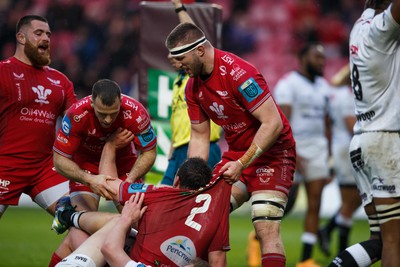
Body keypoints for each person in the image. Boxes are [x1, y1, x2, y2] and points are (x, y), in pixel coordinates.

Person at [165, 22, 296, 267]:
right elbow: (200, 136)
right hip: (236, 155)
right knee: (202, 219)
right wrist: (189, 174)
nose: (177, 64)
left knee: (264, 225)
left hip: (274, 153)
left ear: (200, 51)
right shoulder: (192, 88)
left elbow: (273, 123)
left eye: (181, 58)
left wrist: (243, 162)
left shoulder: (239, 74)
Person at [49, 78, 157, 266]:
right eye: (102, 114)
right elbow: (59, 160)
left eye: (113, 114)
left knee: (140, 225)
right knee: (80, 231)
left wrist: (127, 183)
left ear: (121, 104)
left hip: (124, 167)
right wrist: (88, 179)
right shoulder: (76, 114)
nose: (107, 120)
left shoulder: (136, 113)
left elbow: (149, 152)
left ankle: (68, 216)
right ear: (92, 103)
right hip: (86, 167)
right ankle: (73, 218)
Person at [53, 153, 231, 267]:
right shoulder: (214, 216)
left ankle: (69, 216)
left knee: (102, 226)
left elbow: (111, 188)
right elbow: (218, 261)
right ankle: (69, 216)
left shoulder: (161, 194)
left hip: (132, 261)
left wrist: (110, 147)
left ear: (176, 181)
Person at [329, 1, 400, 267]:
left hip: (362, 141)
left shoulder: (359, 26)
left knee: (380, 240)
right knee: (395, 241)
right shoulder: (381, 30)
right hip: (385, 139)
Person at [0, 15, 77, 218]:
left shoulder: (60, 81)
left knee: (78, 217)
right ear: (21, 37)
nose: (46, 38)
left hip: (44, 168)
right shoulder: (2, 72)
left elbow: (78, 121)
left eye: (49, 34)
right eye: (39, 33)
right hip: (5, 165)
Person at [273, 43, 331, 267]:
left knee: (315, 203)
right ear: (303, 58)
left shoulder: (323, 86)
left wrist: (327, 155)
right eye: (317, 57)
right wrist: (292, 151)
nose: (322, 62)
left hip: (317, 148)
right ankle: (259, 237)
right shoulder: (289, 84)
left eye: (323, 58)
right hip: (293, 147)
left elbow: (327, 123)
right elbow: (282, 121)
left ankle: (306, 259)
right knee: (288, 203)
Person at [161, 0, 222, 186]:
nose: (171, 56)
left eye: (178, 53)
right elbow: (177, 118)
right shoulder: (179, 82)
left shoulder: (197, 76)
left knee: (196, 196)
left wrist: (179, 7)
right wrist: (172, 147)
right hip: (179, 148)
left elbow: (192, 32)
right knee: (165, 195)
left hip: (204, 145)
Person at [318, 64, 362, 257]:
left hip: (341, 148)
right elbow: (350, 125)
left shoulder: (335, 95)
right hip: (347, 149)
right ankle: (333, 238)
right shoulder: (346, 97)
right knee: (353, 200)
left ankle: (332, 238)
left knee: (352, 200)